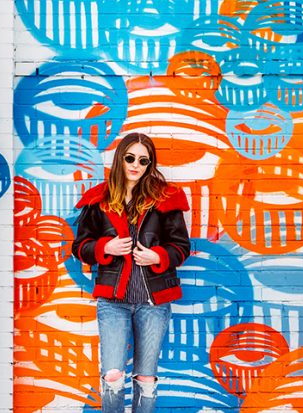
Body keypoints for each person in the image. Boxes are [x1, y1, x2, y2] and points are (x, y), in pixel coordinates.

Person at [72, 132, 190, 412]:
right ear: (120, 158)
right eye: (130, 158)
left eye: (143, 160)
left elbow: (181, 247)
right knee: (113, 377)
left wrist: (157, 255)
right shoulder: (99, 200)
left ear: (150, 164)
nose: (135, 165)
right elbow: (80, 247)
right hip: (113, 304)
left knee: (146, 379)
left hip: (154, 303)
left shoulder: (165, 198)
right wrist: (106, 247)